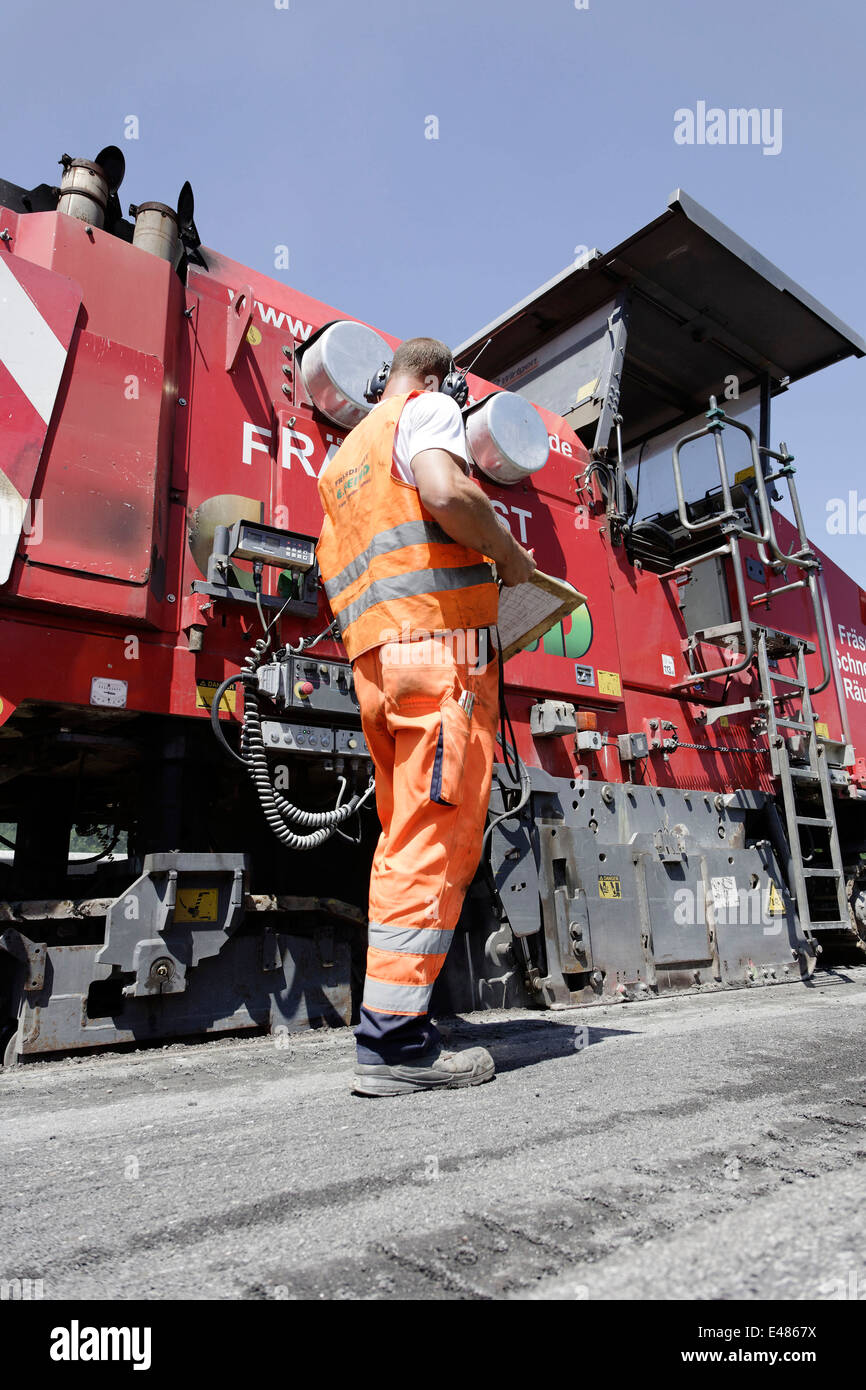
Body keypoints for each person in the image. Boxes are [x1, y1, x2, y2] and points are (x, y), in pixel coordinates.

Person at [316, 337, 536, 1096]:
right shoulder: (429, 408)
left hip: (378, 668)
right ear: (438, 379)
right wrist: (509, 555)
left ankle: (395, 1025)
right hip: (440, 657)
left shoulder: (340, 462)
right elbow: (445, 491)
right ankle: (396, 1047)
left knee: (403, 839)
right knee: (435, 841)